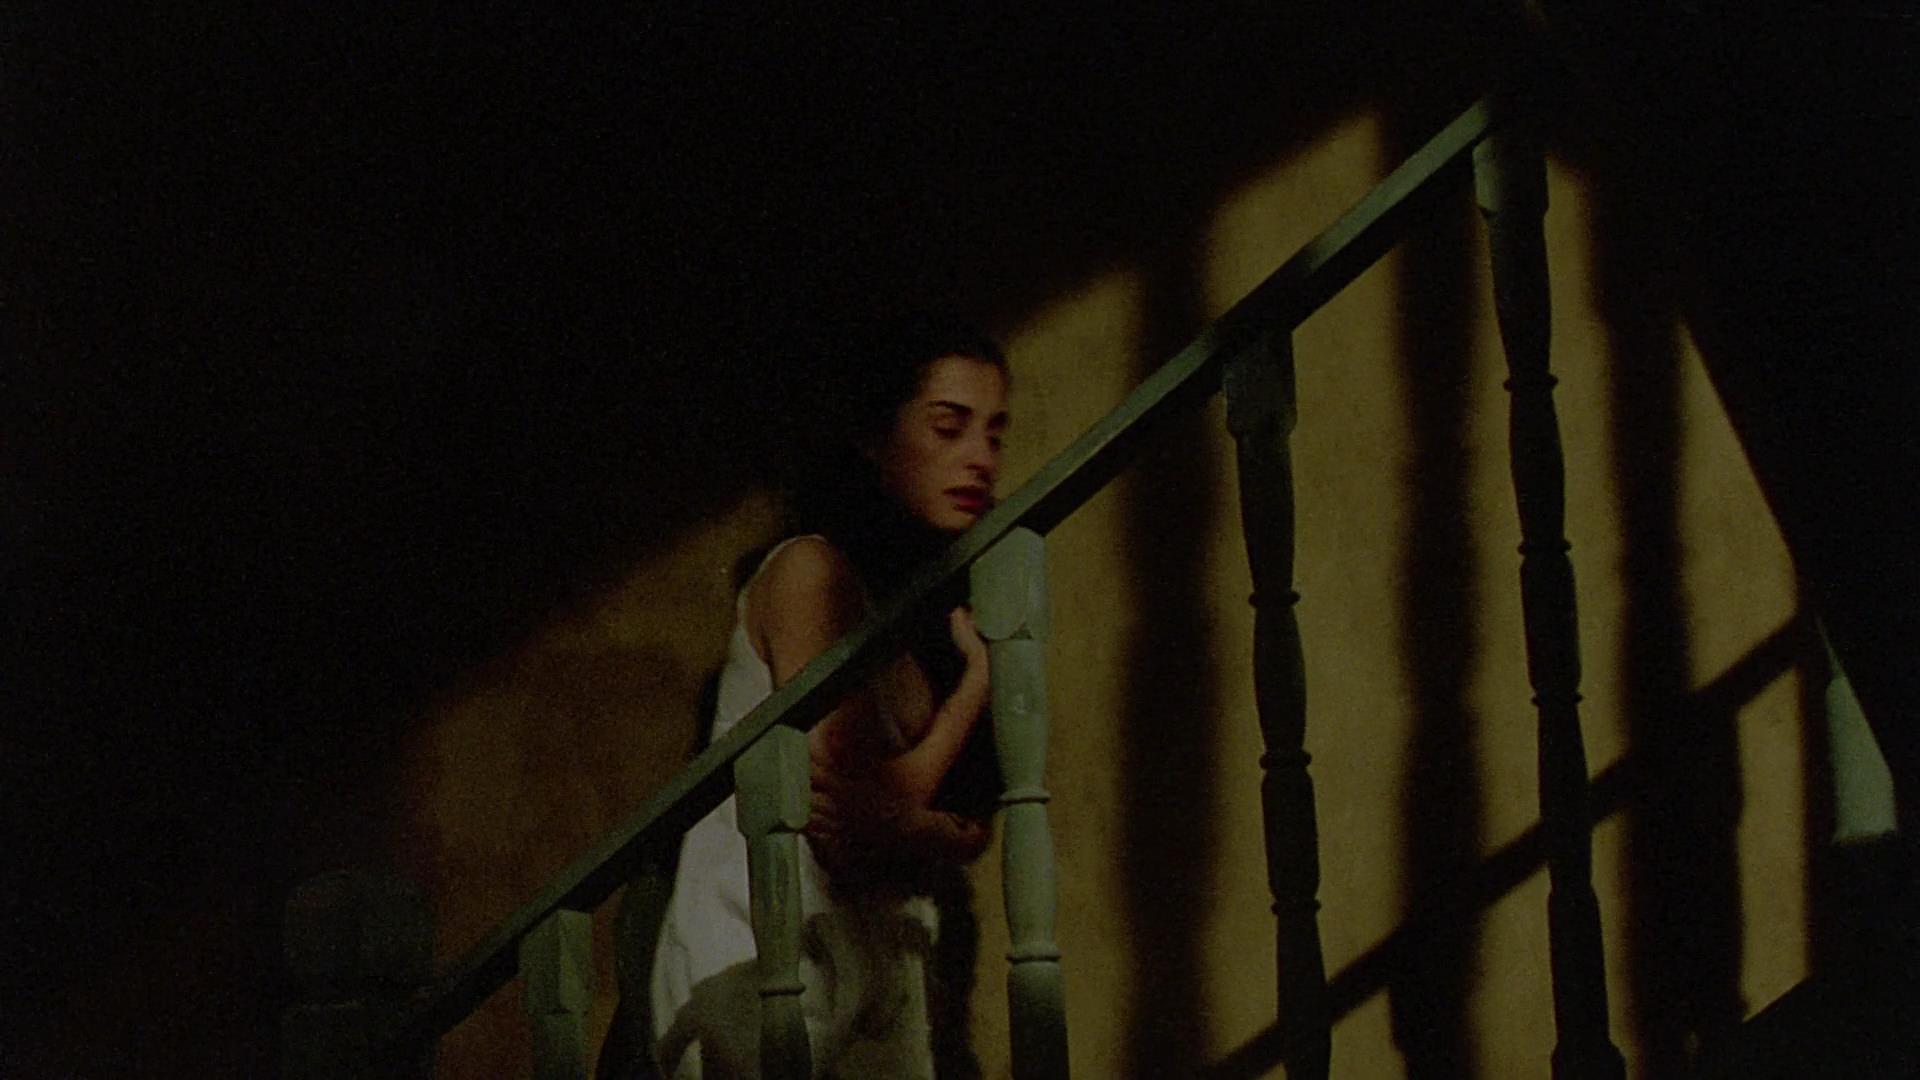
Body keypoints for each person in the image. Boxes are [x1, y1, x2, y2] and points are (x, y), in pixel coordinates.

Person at [644, 315, 1012, 1079]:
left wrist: (912, 819)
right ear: (875, 439)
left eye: (994, 433)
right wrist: (974, 689)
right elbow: (852, 832)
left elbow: (959, 822)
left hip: (874, 964)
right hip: (760, 954)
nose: (980, 458)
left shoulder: (919, 622)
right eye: (949, 427)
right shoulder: (810, 573)